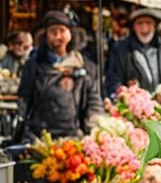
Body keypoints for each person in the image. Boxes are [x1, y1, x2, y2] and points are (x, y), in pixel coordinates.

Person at [17, 10, 103, 141]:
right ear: (46, 36)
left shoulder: (85, 66)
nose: (58, 36)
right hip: (40, 138)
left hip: (74, 137)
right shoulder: (34, 65)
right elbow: (24, 100)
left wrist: (93, 128)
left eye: (62, 31)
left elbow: (94, 101)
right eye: (53, 32)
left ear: (70, 34)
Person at [104, 8, 161, 97]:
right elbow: (113, 79)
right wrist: (121, 93)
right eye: (140, 23)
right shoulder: (121, 49)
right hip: (133, 106)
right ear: (133, 27)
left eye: (148, 22)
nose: (144, 27)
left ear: (155, 26)